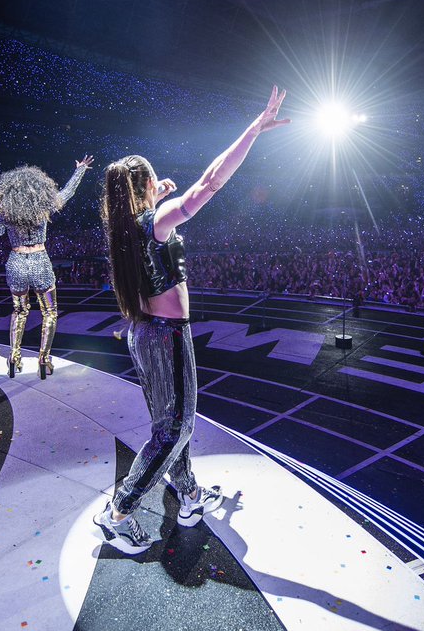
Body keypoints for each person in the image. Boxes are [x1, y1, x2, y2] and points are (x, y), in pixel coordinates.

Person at [95, 84, 289, 554]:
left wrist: (155, 193)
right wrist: (253, 130)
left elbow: (148, 214)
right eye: (153, 182)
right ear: (144, 188)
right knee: (177, 426)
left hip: (143, 333)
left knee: (168, 421)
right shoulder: (157, 222)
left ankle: (188, 495)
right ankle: (118, 512)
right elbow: (210, 182)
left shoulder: (122, 226)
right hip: (165, 336)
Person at [0, 156, 93, 379]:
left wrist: (2, 215)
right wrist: (80, 170)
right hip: (39, 260)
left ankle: (14, 356)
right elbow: (67, 193)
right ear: (39, 187)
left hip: (16, 261)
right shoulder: (43, 205)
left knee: (19, 310)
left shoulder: (6, 211)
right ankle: (44, 359)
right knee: (50, 312)